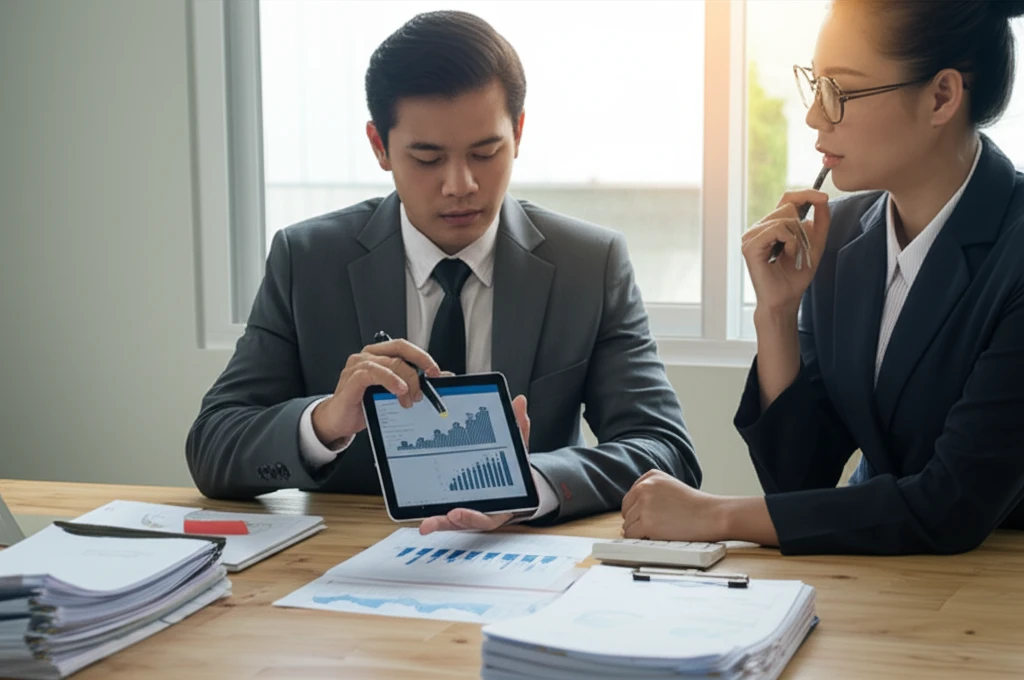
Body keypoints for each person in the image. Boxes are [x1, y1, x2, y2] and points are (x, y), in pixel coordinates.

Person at [186, 10, 700, 533]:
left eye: (485, 152)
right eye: (428, 159)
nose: (461, 185)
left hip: (527, 567)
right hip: (348, 569)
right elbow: (212, 446)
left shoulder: (588, 265)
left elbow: (667, 451)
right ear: (379, 146)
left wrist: (528, 485)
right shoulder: (307, 260)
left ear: (518, 133)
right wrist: (325, 422)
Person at [621, 0, 1024, 555]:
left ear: (942, 96)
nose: (814, 115)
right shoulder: (844, 236)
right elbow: (799, 485)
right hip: (876, 583)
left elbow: (950, 505)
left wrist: (714, 513)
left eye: (840, 91)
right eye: (814, 84)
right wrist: (778, 315)